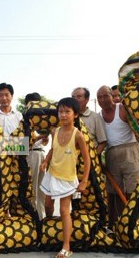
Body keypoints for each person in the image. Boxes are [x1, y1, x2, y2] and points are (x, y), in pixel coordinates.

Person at [40, 97, 90, 258]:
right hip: (52, 174)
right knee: (47, 204)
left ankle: (66, 246)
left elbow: (87, 159)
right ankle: (49, 227)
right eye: (60, 111)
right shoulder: (55, 131)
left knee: (64, 211)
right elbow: (53, 149)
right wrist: (46, 161)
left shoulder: (78, 135)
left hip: (67, 178)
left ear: (75, 114)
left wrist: (84, 181)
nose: (63, 115)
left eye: (67, 111)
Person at [96, 85, 139, 229]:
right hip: (111, 153)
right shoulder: (98, 116)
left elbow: (136, 128)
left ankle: (133, 223)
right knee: (114, 191)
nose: (102, 100)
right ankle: (116, 225)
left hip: (130, 151)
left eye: (105, 96)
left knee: (132, 188)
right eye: (99, 97)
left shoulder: (122, 108)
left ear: (112, 95)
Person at [25, 92, 49, 220]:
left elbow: (45, 141)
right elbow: (22, 143)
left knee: (41, 189)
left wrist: (44, 139)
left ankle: (41, 216)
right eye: (31, 103)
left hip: (42, 154)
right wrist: (38, 138)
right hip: (31, 154)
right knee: (32, 188)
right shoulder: (24, 120)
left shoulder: (42, 119)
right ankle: (33, 217)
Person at [71, 87, 107, 155]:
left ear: (87, 99)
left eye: (79, 97)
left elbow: (102, 142)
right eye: (73, 97)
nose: (75, 100)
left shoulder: (95, 117)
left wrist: (93, 159)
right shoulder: (67, 117)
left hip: (92, 160)